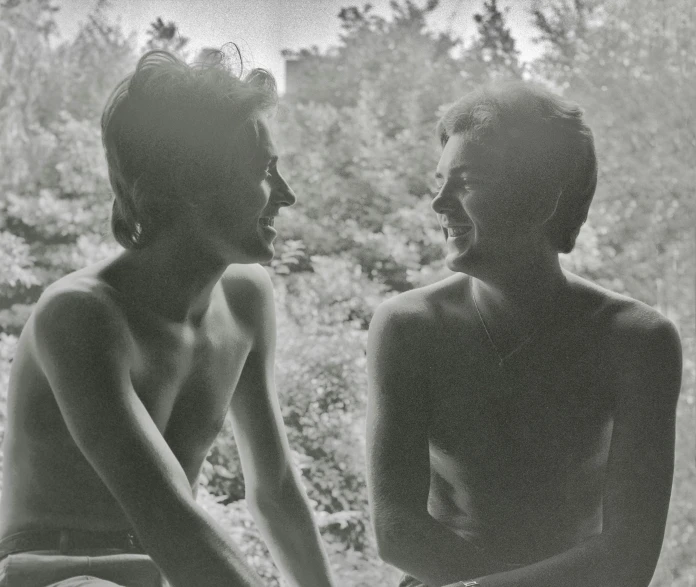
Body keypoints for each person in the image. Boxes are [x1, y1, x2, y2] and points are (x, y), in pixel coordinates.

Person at [0, 50, 336, 587]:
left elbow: (273, 489)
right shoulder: (82, 314)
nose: (287, 195)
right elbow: (167, 518)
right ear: (192, 181)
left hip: (165, 573)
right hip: (62, 574)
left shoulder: (246, 297)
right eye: (264, 171)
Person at [366, 81, 682, 587]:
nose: (439, 204)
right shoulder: (408, 328)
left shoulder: (638, 341)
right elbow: (396, 530)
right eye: (439, 181)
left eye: (466, 181)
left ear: (542, 194)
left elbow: (631, 551)